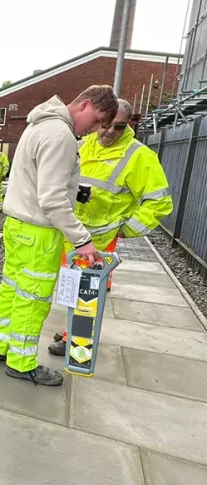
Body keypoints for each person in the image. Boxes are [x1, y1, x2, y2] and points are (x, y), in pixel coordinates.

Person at [0, 85, 118, 387]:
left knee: (12, 290)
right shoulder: (61, 136)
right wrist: (83, 240)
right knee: (33, 298)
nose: (94, 130)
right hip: (39, 233)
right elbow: (52, 200)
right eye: (96, 120)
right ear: (84, 105)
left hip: (18, 225)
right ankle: (22, 362)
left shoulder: (40, 124)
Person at [48, 99, 173, 356]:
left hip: (99, 243)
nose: (108, 132)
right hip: (70, 236)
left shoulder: (138, 156)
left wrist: (127, 230)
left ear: (128, 125)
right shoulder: (82, 145)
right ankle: (71, 330)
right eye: (105, 124)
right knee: (71, 291)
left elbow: (159, 201)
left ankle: (79, 348)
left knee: (89, 294)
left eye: (117, 127)